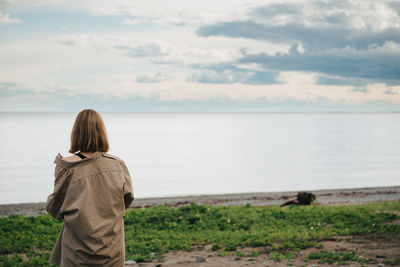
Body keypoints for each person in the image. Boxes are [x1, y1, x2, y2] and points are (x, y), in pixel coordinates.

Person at [46, 109, 134, 266]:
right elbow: (127, 199)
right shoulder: (117, 164)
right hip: (111, 250)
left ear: (76, 133)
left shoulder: (66, 167)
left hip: (76, 252)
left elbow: (55, 209)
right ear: (102, 132)